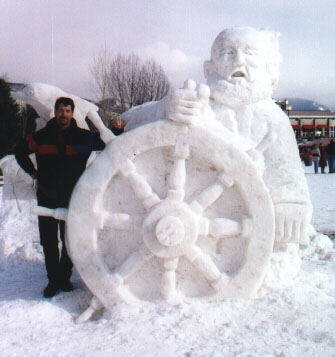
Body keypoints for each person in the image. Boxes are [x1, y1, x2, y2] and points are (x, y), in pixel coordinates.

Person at [122, 27, 312, 245]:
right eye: (228, 53)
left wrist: (291, 202)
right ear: (209, 70)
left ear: (268, 68)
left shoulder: (273, 118)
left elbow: (286, 171)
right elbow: (127, 122)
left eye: (249, 53)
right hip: (180, 223)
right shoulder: (196, 103)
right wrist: (165, 109)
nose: (238, 62)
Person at [14, 97, 121, 298]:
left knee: (70, 240)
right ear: (55, 112)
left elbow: (107, 141)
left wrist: (117, 129)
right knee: (48, 241)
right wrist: (33, 172)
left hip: (73, 197)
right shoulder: (41, 137)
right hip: (46, 195)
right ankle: (53, 281)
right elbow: (19, 151)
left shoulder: (84, 137)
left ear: (72, 114)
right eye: (61, 111)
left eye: (67, 111)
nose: (64, 115)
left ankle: (64, 277)